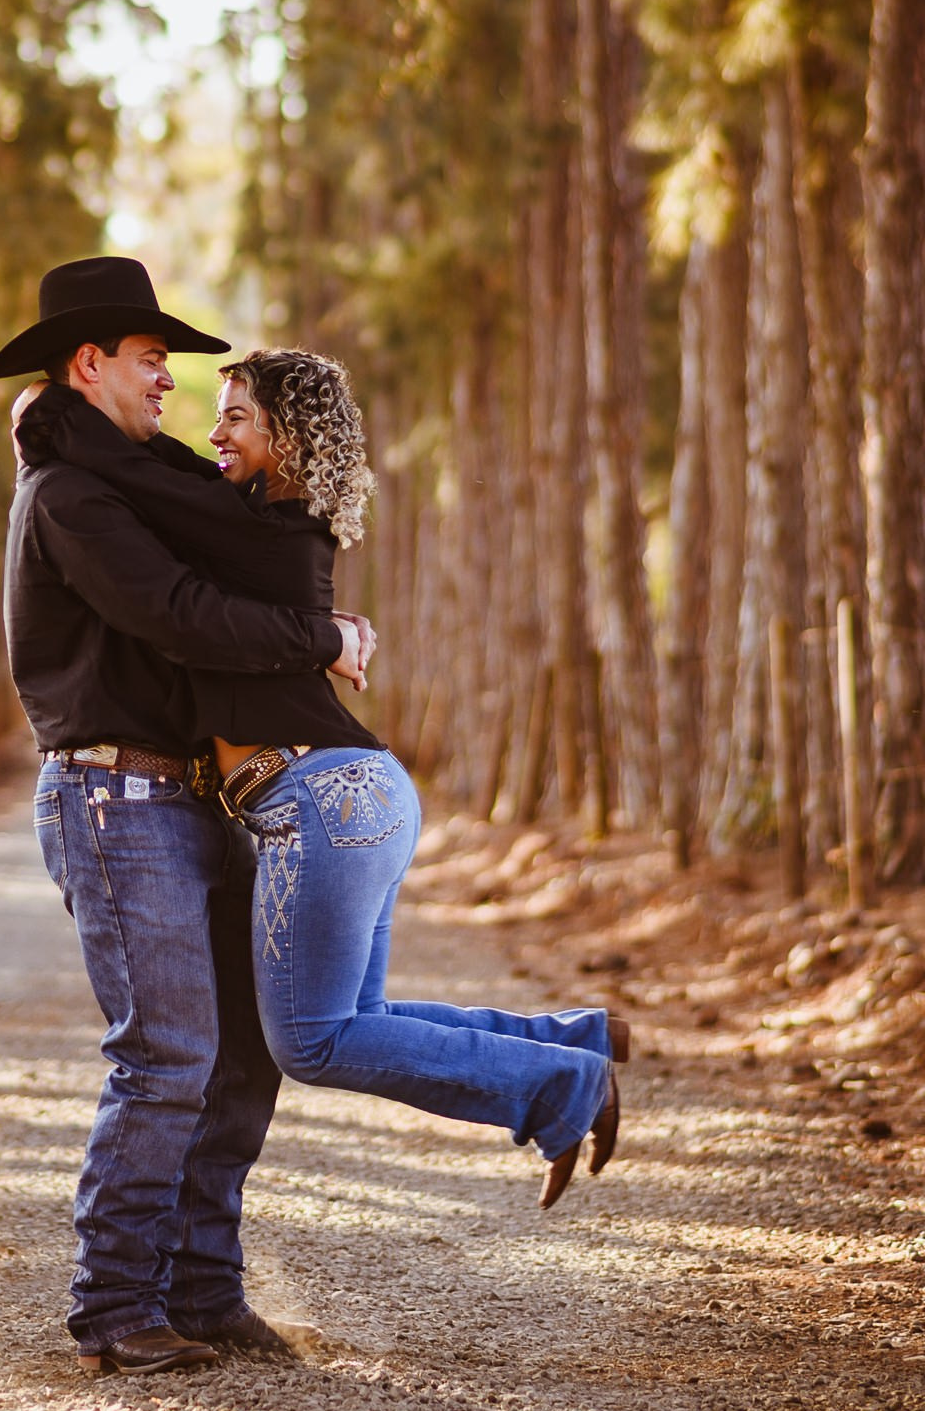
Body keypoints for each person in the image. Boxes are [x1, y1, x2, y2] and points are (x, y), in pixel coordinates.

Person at [35, 343, 623, 1207]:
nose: (211, 434)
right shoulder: (262, 524)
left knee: (312, 1041)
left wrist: (48, 418)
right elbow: (164, 483)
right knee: (358, 1021)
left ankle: (560, 1087)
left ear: (289, 439)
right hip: (351, 795)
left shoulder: (262, 523)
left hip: (322, 800)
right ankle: (569, 1044)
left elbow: (152, 486)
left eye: (235, 417)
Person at [0, 257, 372, 1377]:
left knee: (243, 1054)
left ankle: (203, 1293)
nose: (168, 381)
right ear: (89, 361)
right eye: (153, 360)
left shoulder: (134, 482)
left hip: (194, 793)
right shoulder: (69, 498)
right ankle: (114, 1304)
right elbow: (179, 615)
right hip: (114, 794)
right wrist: (322, 642)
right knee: (165, 1056)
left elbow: (234, 568)